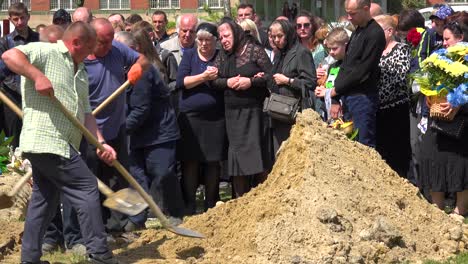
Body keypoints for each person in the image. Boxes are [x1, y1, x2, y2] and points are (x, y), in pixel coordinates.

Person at [2, 21, 119, 264]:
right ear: (76, 42)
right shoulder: (47, 52)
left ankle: (30, 258)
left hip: (62, 144)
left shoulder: (81, 71)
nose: (91, 54)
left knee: (44, 200)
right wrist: (37, 75)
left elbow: (86, 114)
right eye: (89, 48)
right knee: (87, 187)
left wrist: (101, 143)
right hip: (47, 140)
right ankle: (99, 255)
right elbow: (9, 55)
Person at [121, 29, 184, 228]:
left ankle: (173, 213)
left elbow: (141, 109)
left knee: (162, 174)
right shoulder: (120, 68)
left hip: (158, 133)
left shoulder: (142, 70)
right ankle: (136, 218)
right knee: (135, 177)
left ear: (132, 49)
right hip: (137, 134)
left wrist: (118, 131)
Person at [212, 18, 272, 197]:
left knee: (257, 158)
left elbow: (271, 75)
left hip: (253, 112)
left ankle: (264, 199)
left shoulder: (254, 50)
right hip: (232, 114)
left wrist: (251, 81)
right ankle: (240, 202)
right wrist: (227, 82)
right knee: (237, 161)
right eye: (220, 37)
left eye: (226, 36)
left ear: (236, 33)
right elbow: (214, 80)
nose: (223, 40)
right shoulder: (223, 55)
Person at [315, 0, 385, 148]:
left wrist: (336, 90)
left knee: (363, 145)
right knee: (349, 144)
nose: (349, 17)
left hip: (363, 97)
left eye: (352, 13)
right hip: (347, 95)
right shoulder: (358, 31)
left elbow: (362, 70)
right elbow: (346, 65)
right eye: (347, 13)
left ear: (366, 9)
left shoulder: (375, 33)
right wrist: (336, 98)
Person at [418, 20, 468, 217]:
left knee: (460, 164)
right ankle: (437, 209)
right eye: (443, 39)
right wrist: (430, 97)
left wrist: (459, 103)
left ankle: (460, 210)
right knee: (431, 157)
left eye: (447, 39)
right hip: (438, 120)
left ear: (460, 38)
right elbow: (429, 83)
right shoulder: (439, 58)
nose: (444, 43)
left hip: (463, 121)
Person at [176, 22, 227, 214]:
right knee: (190, 161)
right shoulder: (189, 55)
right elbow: (182, 82)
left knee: (213, 161)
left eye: (208, 40)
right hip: (191, 117)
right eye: (201, 40)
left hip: (215, 118)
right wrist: (204, 77)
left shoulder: (221, 57)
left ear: (215, 41)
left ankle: (211, 201)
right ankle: (189, 203)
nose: (204, 44)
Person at [268, 19, 316, 155]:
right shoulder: (280, 53)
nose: (276, 40)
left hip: (293, 112)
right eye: (273, 37)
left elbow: (310, 82)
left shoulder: (301, 52)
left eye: (280, 36)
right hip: (278, 112)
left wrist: (288, 80)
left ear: (288, 34)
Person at [373, 14, 412, 178]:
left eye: (377, 31)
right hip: (377, 110)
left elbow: (400, 78)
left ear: (389, 31)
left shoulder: (401, 50)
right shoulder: (375, 51)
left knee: (397, 151)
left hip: (396, 109)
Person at [0, 2, 39, 149]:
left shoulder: (38, 39)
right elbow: (3, 73)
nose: (20, 22)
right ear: (10, 19)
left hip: (36, 94)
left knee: (35, 134)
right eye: (16, 19)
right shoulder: (4, 42)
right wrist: (20, 89)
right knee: (14, 136)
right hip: (13, 97)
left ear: (28, 17)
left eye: (22, 18)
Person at [315, 28, 349, 121]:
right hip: (329, 114)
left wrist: (335, 100)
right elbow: (329, 87)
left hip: (346, 112)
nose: (331, 52)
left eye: (334, 48)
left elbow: (345, 87)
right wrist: (321, 91)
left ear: (346, 45)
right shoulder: (332, 66)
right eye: (329, 49)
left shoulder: (349, 65)